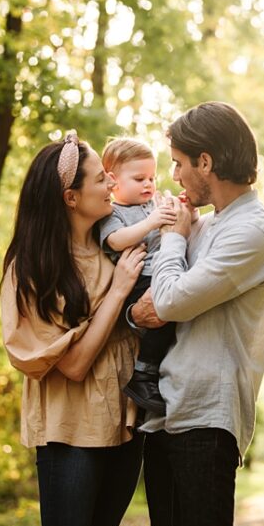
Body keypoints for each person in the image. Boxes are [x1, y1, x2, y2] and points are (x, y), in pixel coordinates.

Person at [128, 102, 264, 526]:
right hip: (165, 412)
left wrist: (174, 242)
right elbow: (149, 305)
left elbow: (169, 300)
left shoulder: (255, 233)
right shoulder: (203, 225)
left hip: (207, 415)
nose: (174, 176)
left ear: (206, 162)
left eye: (178, 163)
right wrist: (149, 305)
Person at [0, 130, 148, 526]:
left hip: (124, 423)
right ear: (70, 197)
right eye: (100, 179)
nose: (111, 185)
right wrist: (119, 293)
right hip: (70, 430)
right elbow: (75, 365)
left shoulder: (117, 247)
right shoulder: (31, 269)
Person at [99, 137, 178, 414]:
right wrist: (152, 222)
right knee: (161, 318)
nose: (148, 184)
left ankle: (157, 373)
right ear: (113, 181)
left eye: (152, 178)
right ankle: (143, 374)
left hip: (163, 272)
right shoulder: (111, 212)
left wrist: (179, 210)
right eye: (139, 178)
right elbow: (116, 241)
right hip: (139, 277)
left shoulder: (151, 206)